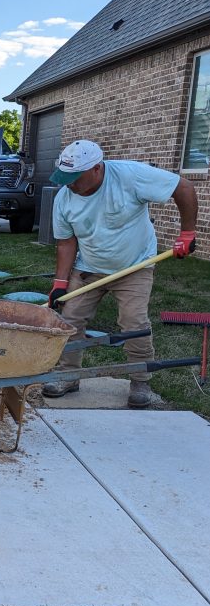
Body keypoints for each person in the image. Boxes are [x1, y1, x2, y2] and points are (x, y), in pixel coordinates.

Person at [44, 139, 198, 409]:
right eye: (65, 177)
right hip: (89, 266)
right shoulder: (64, 199)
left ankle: (140, 379)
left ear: (96, 169)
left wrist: (187, 234)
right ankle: (69, 374)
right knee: (69, 319)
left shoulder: (130, 176)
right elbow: (66, 242)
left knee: (133, 323)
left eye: (74, 178)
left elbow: (182, 188)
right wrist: (60, 283)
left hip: (134, 266)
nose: (68, 184)